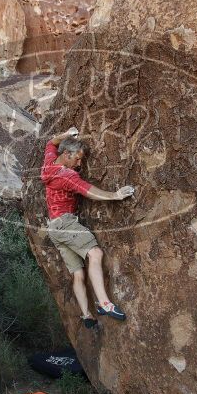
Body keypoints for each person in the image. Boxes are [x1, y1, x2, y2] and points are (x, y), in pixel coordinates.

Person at [41, 127, 135, 329]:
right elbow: (88, 191)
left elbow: (50, 143)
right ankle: (104, 303)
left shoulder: (49, 164)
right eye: (77, 159)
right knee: (95, 253)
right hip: (66, 224)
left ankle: (86, 314)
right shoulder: (66, 176)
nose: (79, 163)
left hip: (54, 227)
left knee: (78, 273)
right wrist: (115, 195)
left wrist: (66, 135)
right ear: (66, 155)